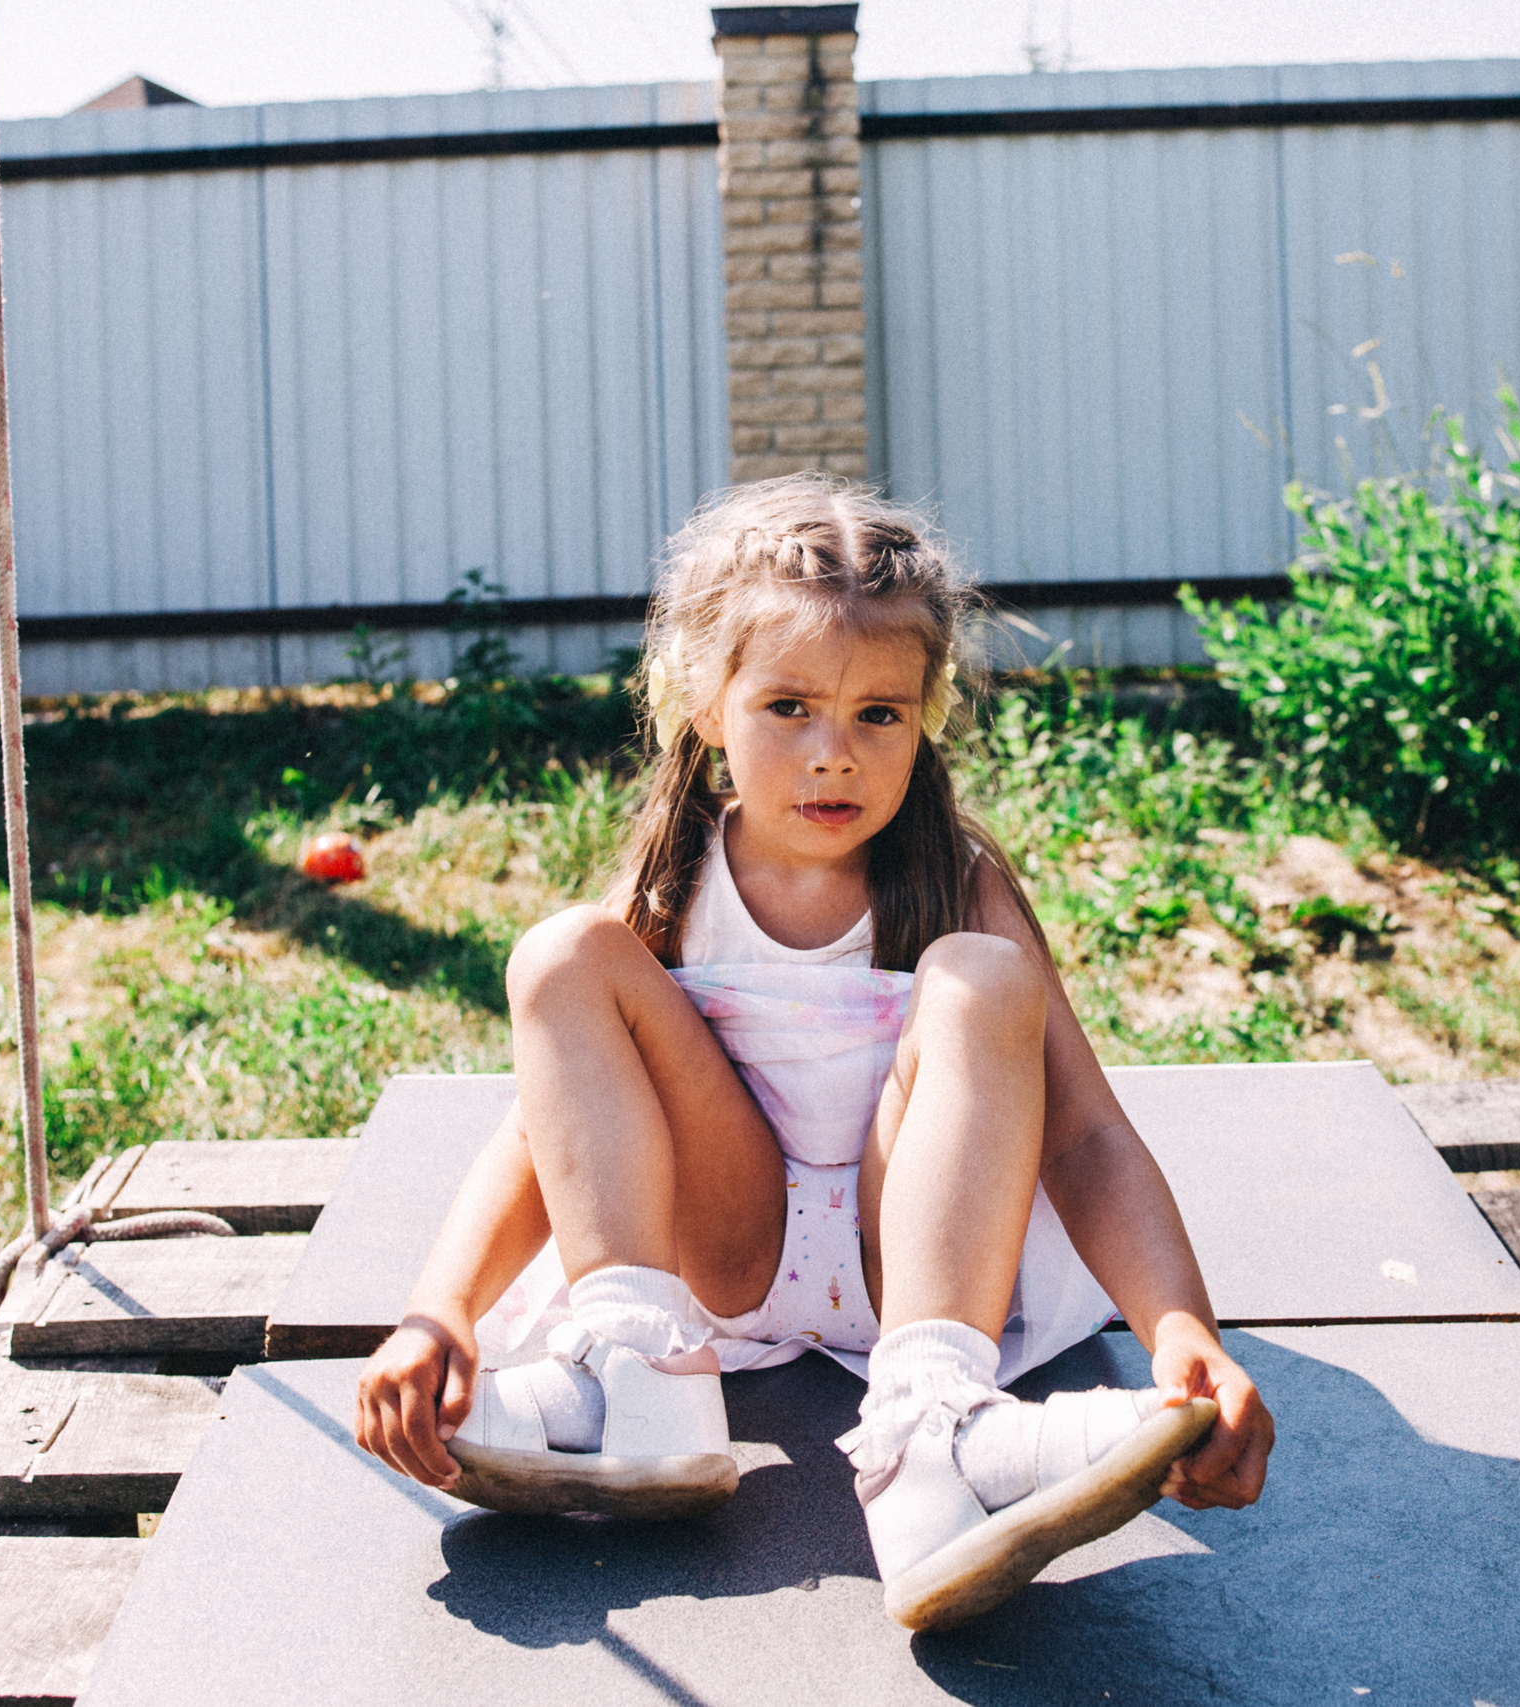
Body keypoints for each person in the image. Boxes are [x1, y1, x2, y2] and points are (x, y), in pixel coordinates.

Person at [355, 475, 1273, 1630]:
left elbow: (1085, 1136)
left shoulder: (959, 882)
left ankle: (935, 1436)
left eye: (877, 714)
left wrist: (1180, 1333)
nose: (832, 756)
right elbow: (546, 1130)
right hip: (719, 1264)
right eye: (788, 706)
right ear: (704, 700)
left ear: (925, 713)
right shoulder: (669, 886)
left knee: (983, 979)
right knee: (560, 956)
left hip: (925, 1275)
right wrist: (440, 1311)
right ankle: (639, 1388)